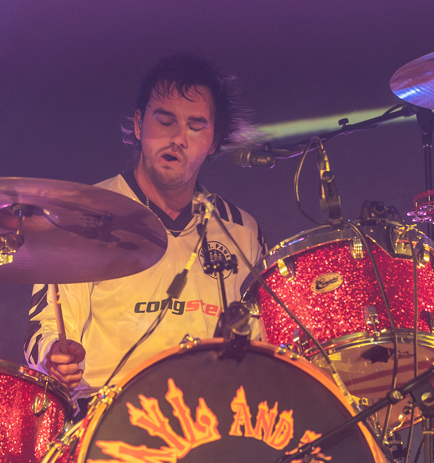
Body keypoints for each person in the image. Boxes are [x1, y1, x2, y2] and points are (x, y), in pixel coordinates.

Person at [23, 54, 267, 411]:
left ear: (213, 142)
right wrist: (54, 357)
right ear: (139, 125)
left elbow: (266, 346)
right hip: (106, 420)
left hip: (215, 419)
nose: (178, 138)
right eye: (165, 121)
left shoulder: (241, 232)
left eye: (195, 127)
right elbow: (43, 334)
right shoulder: (80, 217)